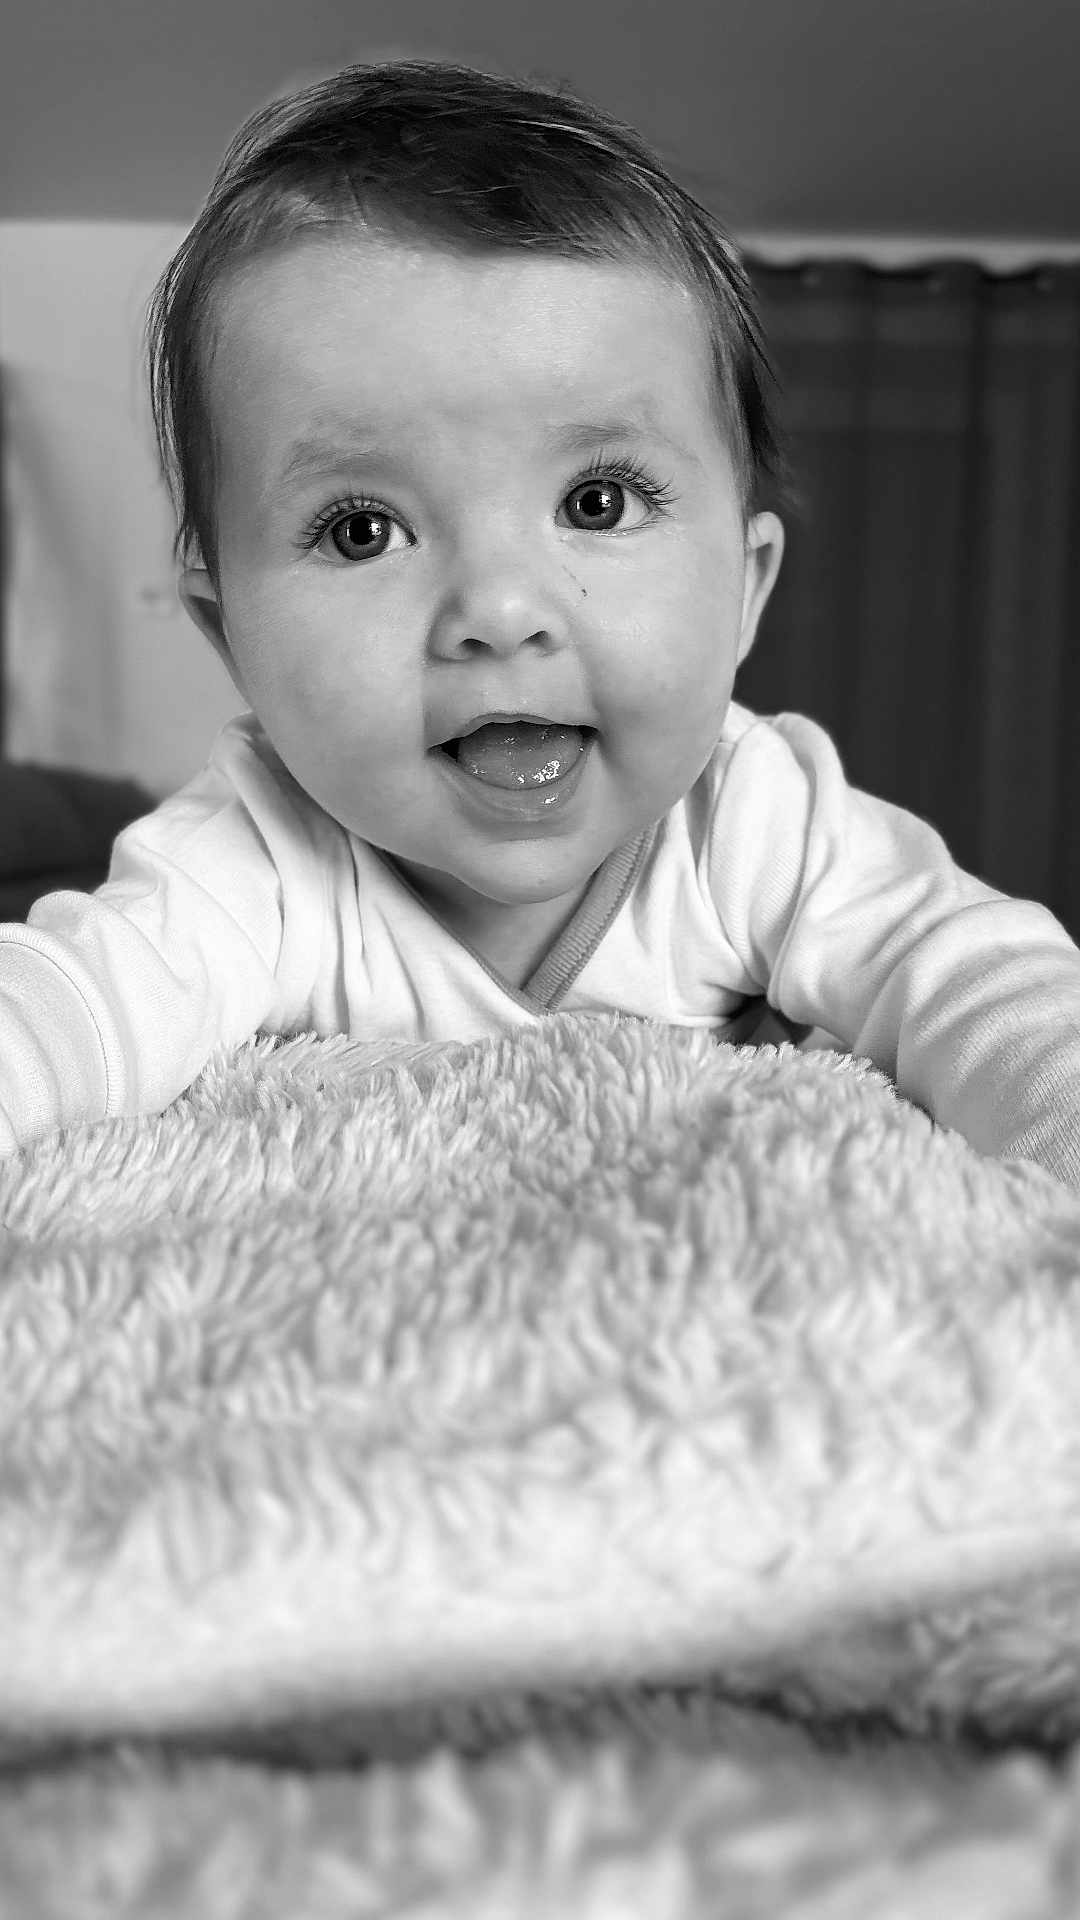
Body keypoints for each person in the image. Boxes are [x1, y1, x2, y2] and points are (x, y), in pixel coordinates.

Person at [0, 58, 1077, 1192]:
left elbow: (983, 984)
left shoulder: (756, 822)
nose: (500, 615)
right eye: (364, 529)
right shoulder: (253, 856)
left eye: (595, 503)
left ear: (748, 587)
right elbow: (67, 1000)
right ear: (231, 638)